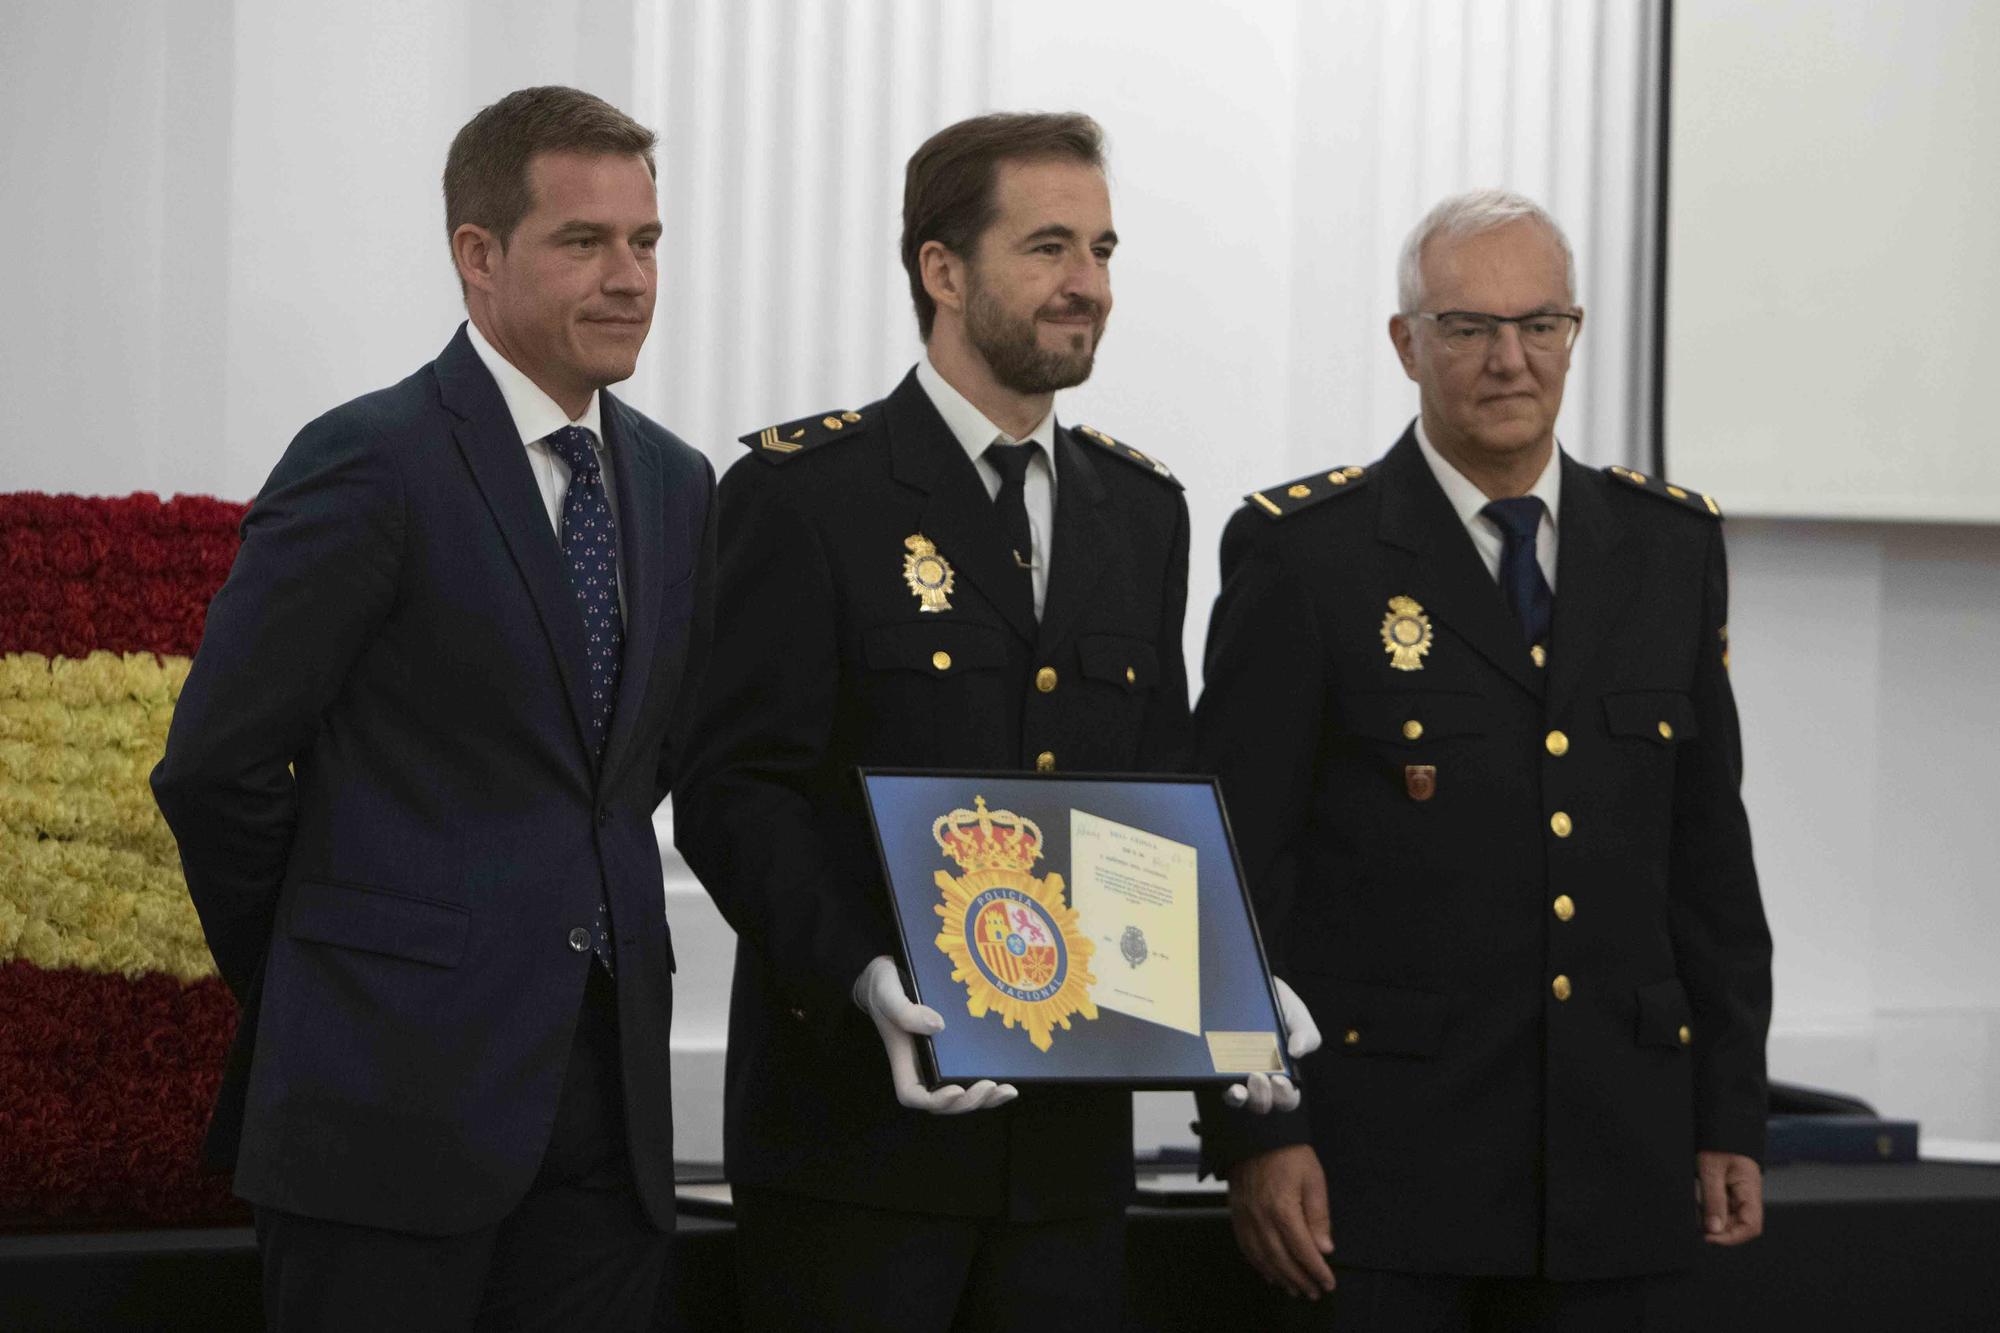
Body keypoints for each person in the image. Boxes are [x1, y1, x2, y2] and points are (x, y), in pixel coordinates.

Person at [676, 110, 1308, 1331]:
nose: (1089, 287)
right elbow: (730, 786)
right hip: (855, 1147)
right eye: (1050, 248)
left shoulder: (1140, 511)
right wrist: (858, 973)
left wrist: (1231, 986)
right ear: (942, 269)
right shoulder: (807, 496)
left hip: (1065, 1167)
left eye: (1105, 251)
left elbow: (1155, 796)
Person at [151, 85, 714, 1328]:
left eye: (647, 241)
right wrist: (332, 973)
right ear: (477, 255)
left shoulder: (678, 483)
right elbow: (215, 769)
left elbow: (634, 757)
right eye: (585, 241)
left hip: (606, 1123)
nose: (629, 277)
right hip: (384, 1110)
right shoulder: (370, 460)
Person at [1194, 188, 1772, 1330]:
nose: (1509, 360)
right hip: (1381, 1176)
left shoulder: (1666, 547)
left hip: (1618, 1163)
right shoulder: (1309, 556)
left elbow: (1707, 863)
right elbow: (1228, 876)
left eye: (1539, 324)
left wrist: (1726, 1113)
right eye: (1466, 328)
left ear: (1572, 331)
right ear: (1406, 343)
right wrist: (1259, 1128)